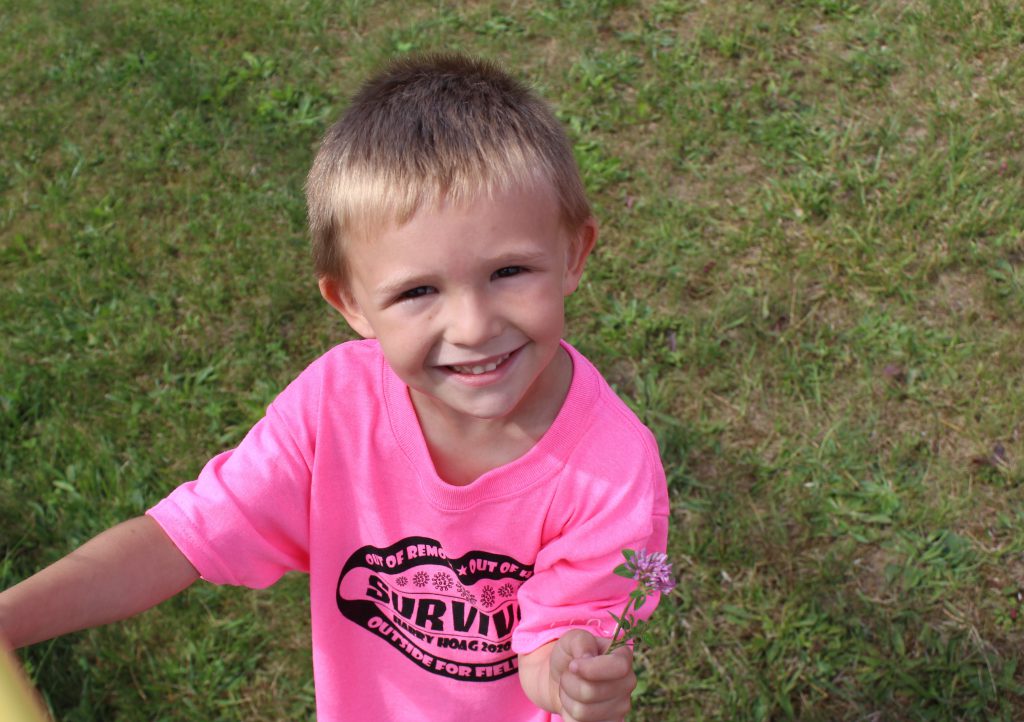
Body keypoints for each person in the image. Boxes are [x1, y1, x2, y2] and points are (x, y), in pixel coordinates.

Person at [0, 54, 669, 722]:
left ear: (575, 255)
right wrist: (8, 619)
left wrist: (573, 676)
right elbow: (181, 539)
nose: (472, 326)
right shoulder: (333, 410)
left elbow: (551, 644)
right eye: (418, 290)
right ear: (350, 303)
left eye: (510, 270)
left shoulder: (611, 470)